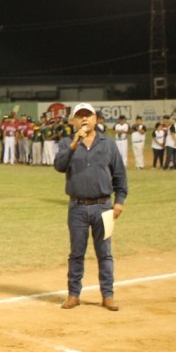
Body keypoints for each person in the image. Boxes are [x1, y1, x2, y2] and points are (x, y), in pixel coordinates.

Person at [54, 102, 127, 312]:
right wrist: (74, 142)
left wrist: (119, 201)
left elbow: (120, 175)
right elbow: (59, 166)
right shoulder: (67, 142)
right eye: (80, 116)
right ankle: (73, 295)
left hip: (103, 206)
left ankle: (108, 295)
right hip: (77, 207)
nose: (84, 119)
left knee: (105, 253)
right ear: (73, 121)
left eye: (88, 115)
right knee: (76, 253)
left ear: (96, 119)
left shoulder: (108, 144)